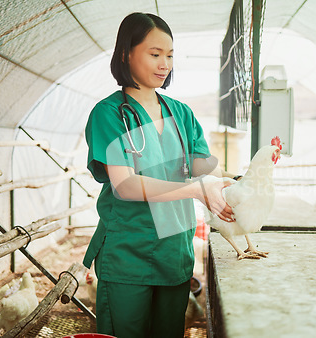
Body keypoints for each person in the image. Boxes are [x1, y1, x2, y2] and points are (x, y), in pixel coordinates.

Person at [82, 12, 239, 338]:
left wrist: (219, 179)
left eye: (169, 55)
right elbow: (125, 185)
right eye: (154, 54)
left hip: (173, 255)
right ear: (126, 53)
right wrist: (196, 190)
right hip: (128, 256)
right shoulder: (110, 113)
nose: (164, 63)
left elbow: (203, 165)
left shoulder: (181, 113)